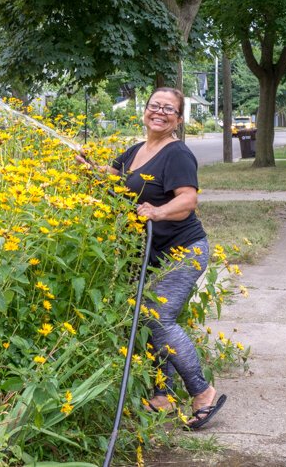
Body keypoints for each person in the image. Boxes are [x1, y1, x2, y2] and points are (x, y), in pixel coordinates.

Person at [76, 87, 226, 430]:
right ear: (145, 111)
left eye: (168, 108)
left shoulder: (177, 154)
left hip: (183, 252)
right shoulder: (136, 151)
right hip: (152, 255)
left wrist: (157, 211)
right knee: (146, 320)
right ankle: (161, 396)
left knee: (158, 318)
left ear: (179, 119)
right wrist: (88, 167)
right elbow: (113, 179)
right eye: (154, 106)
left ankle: (203, 394)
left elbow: (188, 200)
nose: (159, 112)